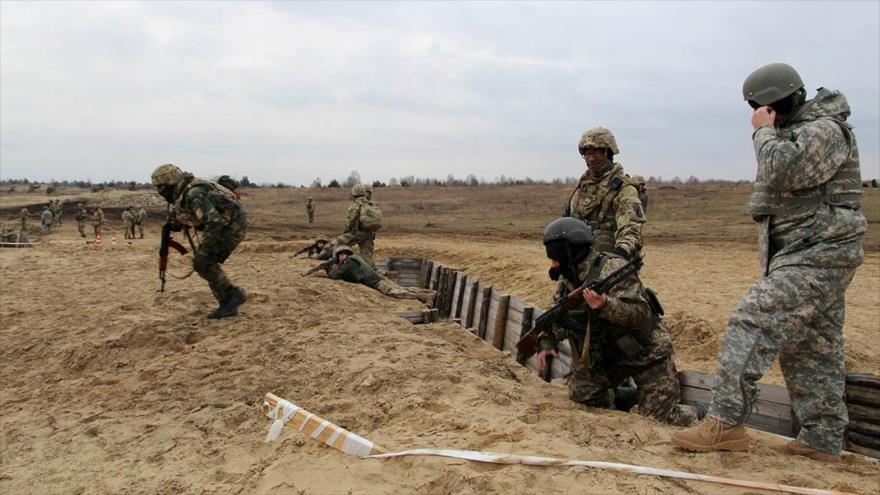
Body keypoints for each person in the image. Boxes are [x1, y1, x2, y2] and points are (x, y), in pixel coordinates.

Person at [672, 63, 866, 463]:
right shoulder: (799, 131)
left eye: (763, 107)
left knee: (753, 318)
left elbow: (783, 169)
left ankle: (725, 422)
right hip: (807, 251)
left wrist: (762, 130)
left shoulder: (825, 130)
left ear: (778, 102)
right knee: (812, 345)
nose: (759, 113)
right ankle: (822, 439)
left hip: (821, 250)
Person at [534, 217, 700, 427]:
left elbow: (641, 314)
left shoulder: (612, 269)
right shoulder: (569, 281)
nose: (553, 263)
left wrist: (605, 305)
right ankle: (628, 397)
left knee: (661, 419)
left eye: (555, 256)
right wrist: (547, 345)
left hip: (647, 355)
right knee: (581, 395)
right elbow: (558, 317)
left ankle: (699, 412)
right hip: (609, 357)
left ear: (569, 250)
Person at [151, 163, 248, 319]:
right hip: (225, 224)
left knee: (203, 261)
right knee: (203, 262)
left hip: (232, 226)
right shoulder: (185, 192)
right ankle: (227, 301)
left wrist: (205, 247)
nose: (160, 192)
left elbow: (214, 221)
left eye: (161, 187)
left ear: (170, 182)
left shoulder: (193, 193)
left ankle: (232, 296)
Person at [564, 128, 646, 258]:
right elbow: (567, 224)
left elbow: (631, 229)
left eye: (595, 153)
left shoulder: (624, 190)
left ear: (608, 153)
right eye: (587, 154)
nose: (590, 159)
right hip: (581, 260)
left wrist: (621, 254)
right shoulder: (581, 188)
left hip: (612, 263)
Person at [321, 246, 434, 304]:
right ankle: (426, 292)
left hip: (376, 282)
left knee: (396, 293)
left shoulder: (349, 262)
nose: (341, 257)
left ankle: (423, 296)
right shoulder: (353, 259)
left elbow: (336, 275)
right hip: (378, 278)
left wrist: (328, 269)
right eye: (340, 256)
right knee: (400, 288)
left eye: (342, 255)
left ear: (346, 255)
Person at [338, 184, 381, 267]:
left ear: (354, 193)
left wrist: (345, 233)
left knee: (339, 245)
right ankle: (371, 271)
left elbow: (350, 222)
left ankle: (340, 266)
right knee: (367, 255)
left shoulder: (355, 205)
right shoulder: (371, 204)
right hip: (370, 234)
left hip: (357, 233)